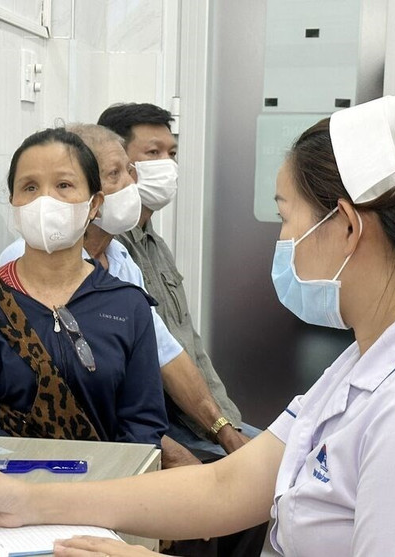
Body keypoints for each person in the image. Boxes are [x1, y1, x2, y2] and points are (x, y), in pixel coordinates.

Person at [0, 94, 395, 556]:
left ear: (345, 226)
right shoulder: (367, 364)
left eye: (285, 215)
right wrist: (25, 501)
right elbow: (227, 487)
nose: (282, 241)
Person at [0, 124, 250, 468]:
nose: (132, 185)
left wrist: (225, 432)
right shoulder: (26, 266)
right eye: (115, 174)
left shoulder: (120, 259)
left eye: (130, 171)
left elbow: (166, 353)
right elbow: (81, 388)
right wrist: (175, 457)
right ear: (89, 196)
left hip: (136, 434)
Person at [0, 127, 168, 447]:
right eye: (29, 187)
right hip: (5, 489)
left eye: (63, 185)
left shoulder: (127, 306)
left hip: (108, 490)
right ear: (14, 202)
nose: (45, 201)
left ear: (94, 205)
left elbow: (143, 427)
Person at [96, 103, 260, 453]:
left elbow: (188, 344)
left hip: (209, 421)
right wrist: (222, 434)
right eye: (152, 153)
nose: (167, 165)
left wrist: (226, 421)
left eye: (171, 153)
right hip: (171, 430)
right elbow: (156, 361)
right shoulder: (106, 249)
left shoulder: (154, 245)